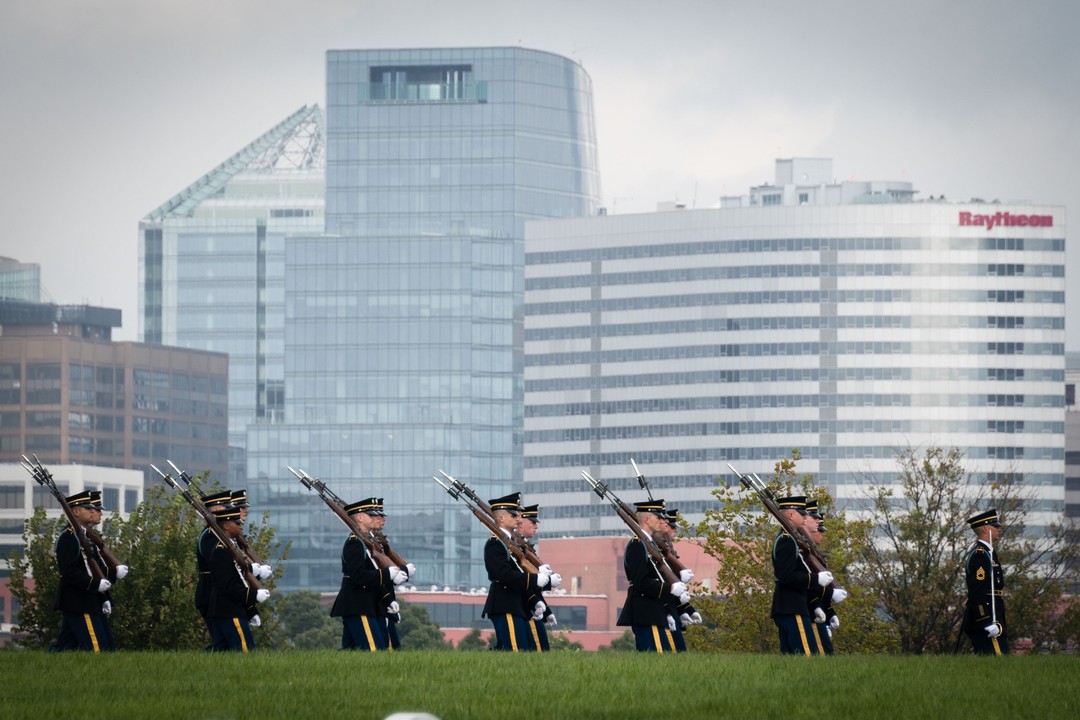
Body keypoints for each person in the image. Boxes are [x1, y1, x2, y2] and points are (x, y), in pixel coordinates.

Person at [50, 490, 127, 652]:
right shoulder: (69, 537)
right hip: (79, 601)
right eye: (88, 508)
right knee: (98, 649)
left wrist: (108, 584)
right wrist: (96, 585)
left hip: (88, 600)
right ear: (76, 512)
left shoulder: (85, 536)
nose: (94, 512)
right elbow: (70, 572)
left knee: (63, 648)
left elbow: (93, 567)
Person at [330, 497, 406, 651]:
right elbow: (358, 577)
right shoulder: (354, 543)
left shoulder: (366, 543)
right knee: (373, 651)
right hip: (359, 604)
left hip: (367, 604)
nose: (376, 518)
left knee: (350, 651)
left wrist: (388, 599)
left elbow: (372, 575)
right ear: (359, 517)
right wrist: (387, 574)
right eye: (371, 515)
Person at [616, 498, 691, 652]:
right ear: (648, 519)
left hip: (656, 611)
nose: (662, 520)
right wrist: (670, 589)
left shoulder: (650, 544)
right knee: (655, 659)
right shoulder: (637, 545)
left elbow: (659, 575)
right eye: (659, 517)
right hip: (646, 612)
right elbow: (640, 582)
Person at [481, 493, 551, 651]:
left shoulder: (509, 543)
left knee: (519, 652)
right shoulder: (495, 544)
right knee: (515, 651)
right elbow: (505, 576)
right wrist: (534, 580)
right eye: (513, 515)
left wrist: (535, 598)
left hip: (516, 604)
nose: (518, 518)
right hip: (505, 603)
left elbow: (518, 571)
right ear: (501, 519)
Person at [770, 496, 831, 655]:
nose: (805, 517)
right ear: (791, 515)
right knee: (806, 657)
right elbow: (786, 576)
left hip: (793, 605)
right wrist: (816, 579)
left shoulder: (790, 539)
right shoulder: (786, 540)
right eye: (801, 514)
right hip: (791, 606)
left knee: (793, 660)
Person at [207, 505, 270, 652]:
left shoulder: (230, 547)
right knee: (245, 651)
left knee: (221, 652)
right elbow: (229, 585)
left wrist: (250, 610)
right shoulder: (221, 551)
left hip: (229, 609)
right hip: (229, 610)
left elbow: (239, 577)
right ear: (227, 525)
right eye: (237, 523)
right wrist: (254, 595)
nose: (241, 526)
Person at [370, 498, 416, 650]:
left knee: (391, 645)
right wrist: (388, 600)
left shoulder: (377, 540)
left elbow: (387, 564)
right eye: (377, 517)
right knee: (382, 645)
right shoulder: (365, 543)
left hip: (384, 601)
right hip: (377, 601)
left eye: (382, 516)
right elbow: (376, 574)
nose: (382, 520)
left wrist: (403, 569)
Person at [803, 500, 847, 655]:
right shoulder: (804, 552)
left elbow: (820, 589)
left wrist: (830, 612)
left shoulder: (813, 552)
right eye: (819, 529)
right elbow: (809, 586)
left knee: (826, 654)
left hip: (817, 611)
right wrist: (819, 605)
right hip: (810, 610)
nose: (821, 534)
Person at [963, 508, 1009, 655]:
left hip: (995, 615)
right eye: (995, 526)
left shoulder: (989, 554)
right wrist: (986, 621)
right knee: (996, 663)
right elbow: (977, 592)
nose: (998, 529)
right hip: (986, 621)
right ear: (985, 529)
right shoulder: (980, 556)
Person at [517, 504, 561, 651]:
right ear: (521, 522)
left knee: (540, 648)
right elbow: (524, 581)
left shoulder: (525, 547)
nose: (536, 526)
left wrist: (546, 610)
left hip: (532, 606)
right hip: (524, 605)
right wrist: (547, 583)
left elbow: (533, 585)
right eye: (533, 522)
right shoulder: (517, 547)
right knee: (534, 649)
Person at [195, 489, 233, 650]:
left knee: (224, 642)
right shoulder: (211, 535)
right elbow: (217, 564)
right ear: (216, 510)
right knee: (221, 642)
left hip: (214, 592)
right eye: (227, 508)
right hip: (210, 593)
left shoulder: (217, 533)